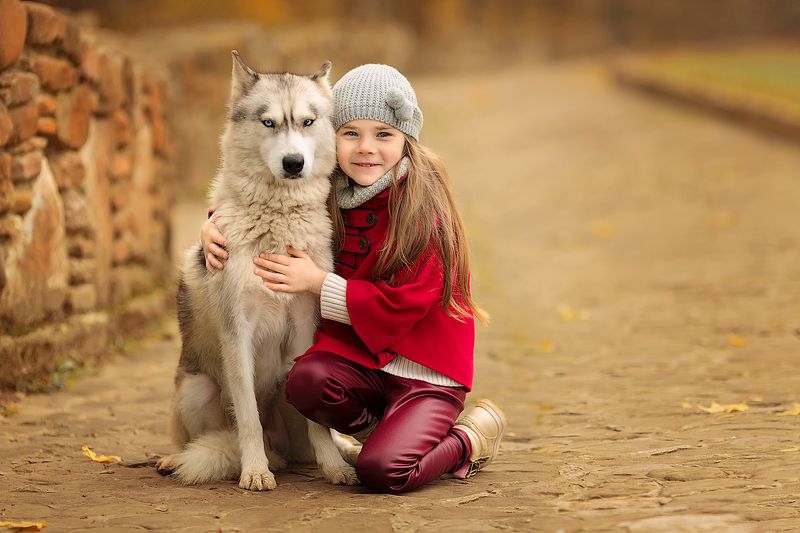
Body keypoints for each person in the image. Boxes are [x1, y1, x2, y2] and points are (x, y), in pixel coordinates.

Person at [201, 64, 506, 493]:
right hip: (365, 363)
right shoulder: (328, 187)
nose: (366, 149)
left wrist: (315, 282)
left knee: (384, 471)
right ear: (332, 135)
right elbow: (263, 199)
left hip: (423, 373)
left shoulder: (424, 209)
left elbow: (402, 305)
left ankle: (469, 438)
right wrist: (214, 223)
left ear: (406, 139)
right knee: (304, 379)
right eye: (351, 133)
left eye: (384, 135)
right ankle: (382, 429)